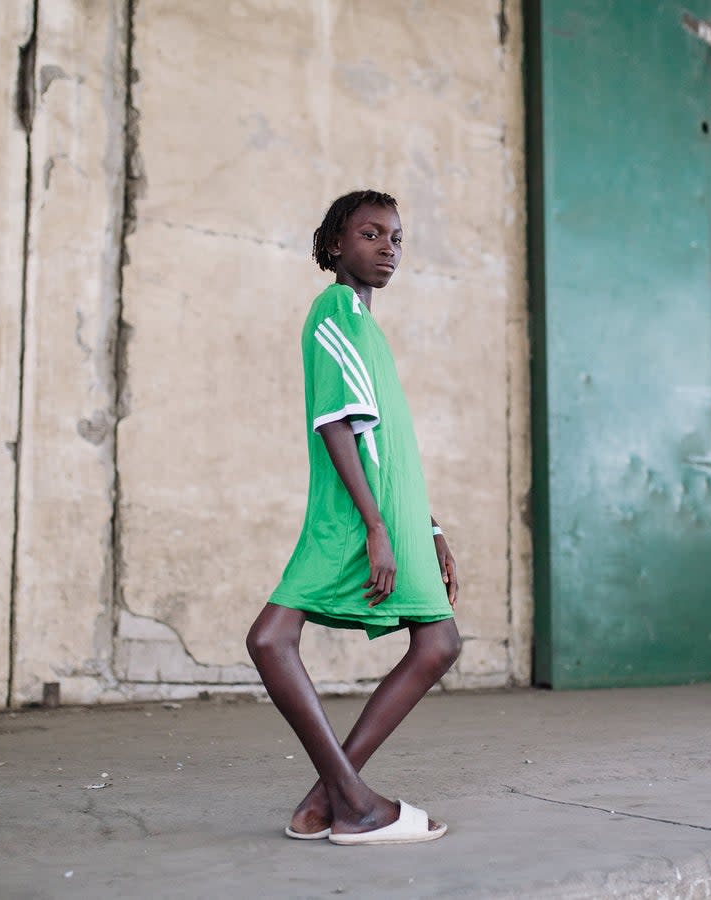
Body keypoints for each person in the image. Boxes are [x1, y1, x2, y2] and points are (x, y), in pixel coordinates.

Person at [246, 190, 461, 846]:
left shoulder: (367, 328)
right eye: (370, 234)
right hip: (355, 514)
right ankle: (356, 805)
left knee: (439, 643)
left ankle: (326, 804)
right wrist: (374, 527)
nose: (387, 247)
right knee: (272, 639)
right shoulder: (334, 308)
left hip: (391, 512)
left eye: (396, 237)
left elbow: (385, 441)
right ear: (337, 245)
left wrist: (426, 526)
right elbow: (337, 423)